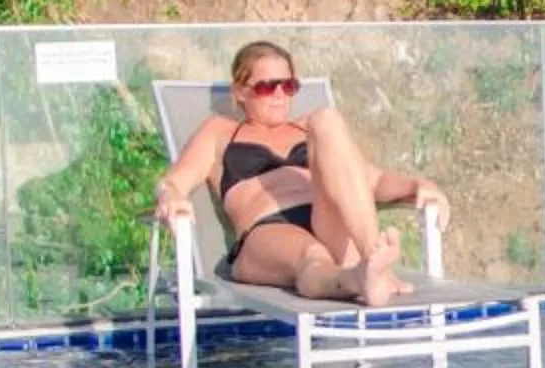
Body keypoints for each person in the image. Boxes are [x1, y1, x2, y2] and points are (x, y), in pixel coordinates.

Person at [151, 41, 450, 307]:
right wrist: (170, 197)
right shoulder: (220, 132)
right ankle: (361, 278)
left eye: (289, 86)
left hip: (328, 221)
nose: (280, 95)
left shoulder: (308, 128)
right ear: (240, 91)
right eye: (268, 86)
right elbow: (175, 181)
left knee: (327, 118)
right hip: (268, 230)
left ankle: (371, 262)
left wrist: (419, 184)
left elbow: (372, 181)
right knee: (311, 256)